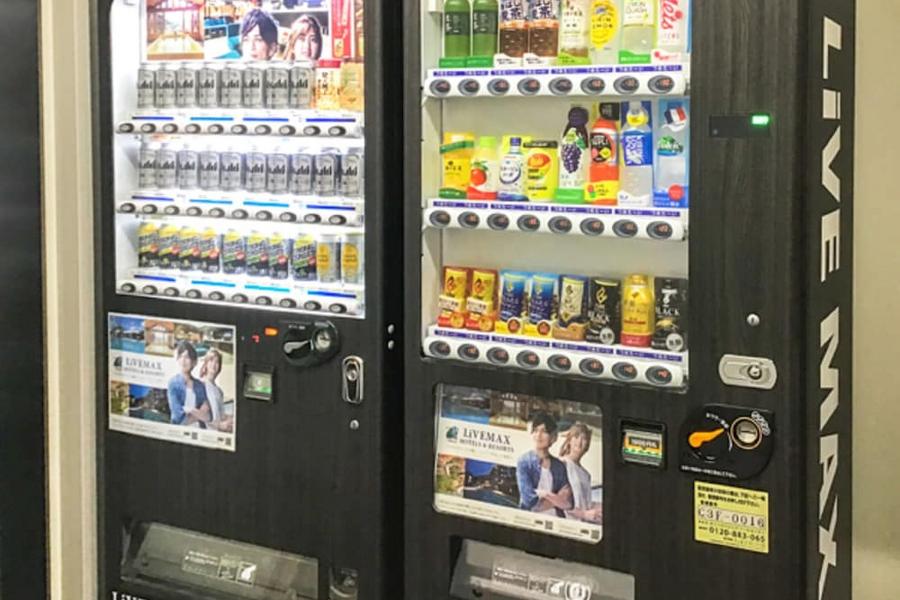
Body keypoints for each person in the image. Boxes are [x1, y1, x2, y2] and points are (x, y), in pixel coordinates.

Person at [516, 412, 572, 517]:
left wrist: (545, 494)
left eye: (544, 431)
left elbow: (568, 503)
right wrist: (557, 500)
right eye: (536, 430)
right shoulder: (524, 461)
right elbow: (529, 501)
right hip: (528, 519)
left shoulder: (559, 466)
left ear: (553, 437)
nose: (538, 435)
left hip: (556, 519)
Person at [559, 423, 603, 523]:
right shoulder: (561, 464)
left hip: (583, 526)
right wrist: (584, 514)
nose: (579, 442)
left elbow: (585, 505)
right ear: (569, 441)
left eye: (584, 438)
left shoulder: (586, 475)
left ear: (587, 444)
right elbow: (558, 501)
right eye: (576, 437)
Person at [166, 341, 210, 428]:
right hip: (178, 430)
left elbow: (207, 416)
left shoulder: (200, 385)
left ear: (193, 361)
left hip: (199, 430)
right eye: (180, 356)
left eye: (187, 357)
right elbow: (177, 416)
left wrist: (189, 410)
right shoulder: (173, 383)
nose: (183, 360)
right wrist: (198, 414)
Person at [199, 348, 233, 433]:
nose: (214, 364)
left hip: (217, 434)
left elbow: (220, 415)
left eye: (217, 362)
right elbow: (199, 416)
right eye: (211, 361)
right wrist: (219, 425)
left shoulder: (219, 391)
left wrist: (231, 419)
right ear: (206, 364)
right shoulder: (200, 385)